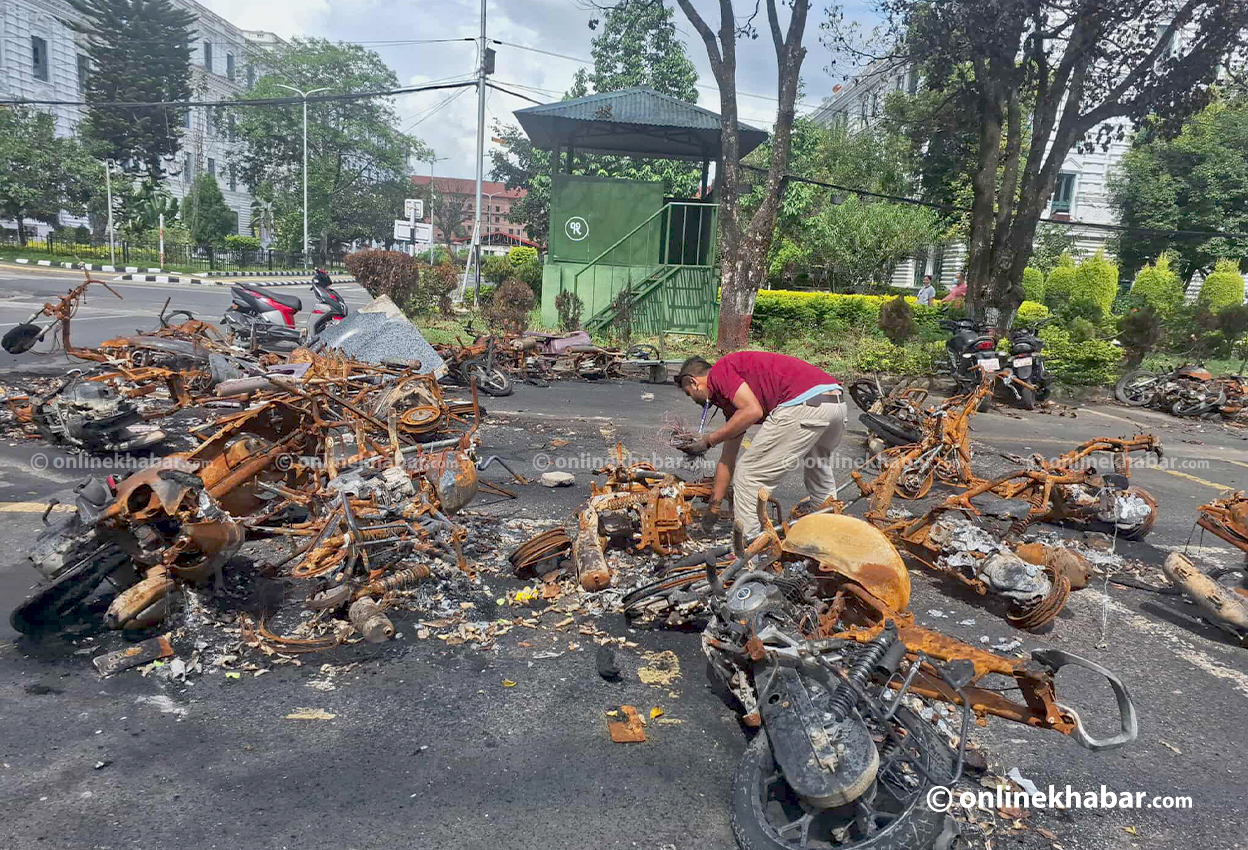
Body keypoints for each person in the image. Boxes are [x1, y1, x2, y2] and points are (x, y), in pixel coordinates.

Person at [673, 352, 847, 546]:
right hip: (835, 403)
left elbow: (753, 411)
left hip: (803, 404)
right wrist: (714, 506)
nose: (693, 399)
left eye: (689, 393)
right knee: (818, 471)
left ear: (694, 381)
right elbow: (727, 458)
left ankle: (748, 556)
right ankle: (827, 541)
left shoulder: (720, 371)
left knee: (748, 476)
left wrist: (708, 441)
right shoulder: (732, 400)